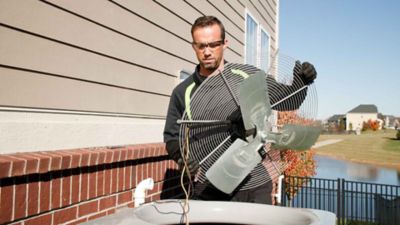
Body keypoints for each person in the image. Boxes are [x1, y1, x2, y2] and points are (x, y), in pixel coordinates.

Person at [163, 16, 317, 204]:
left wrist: (302, 81)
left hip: (253, 181)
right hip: (210, 184)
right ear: (193, 46)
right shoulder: (183, 92)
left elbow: (287, 100)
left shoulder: (246, 77)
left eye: (214, 44)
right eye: (201, 46)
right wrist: (183, 159)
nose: (207, 52)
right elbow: (172, 136)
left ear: (225, 43)